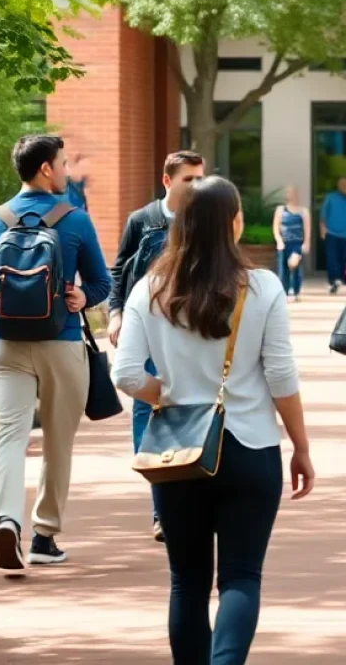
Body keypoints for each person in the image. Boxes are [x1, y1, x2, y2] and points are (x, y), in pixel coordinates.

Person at [112, 176, 314, 664]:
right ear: (234, 223)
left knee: (187, 581)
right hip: (251, 446)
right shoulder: (261, 286)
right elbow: (280, 375)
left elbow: (125, 373)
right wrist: (301, 447)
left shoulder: (150, 288)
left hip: (178, 450)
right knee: (241, 576)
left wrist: (167, 396)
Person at [0, 135, 111, 571]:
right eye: (62, 163)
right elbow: (102, 282)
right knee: (58, 443)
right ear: (46, 168)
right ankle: (44, 537)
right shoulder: (75, 220)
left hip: (5, 345)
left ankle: (7, 520)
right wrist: (82, 297)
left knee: (10, 436)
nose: (66, 171)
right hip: (61, 344)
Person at [108, 150, 205, 542]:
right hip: (146, 327)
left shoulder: (203, 219)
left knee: (190, 405)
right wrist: (116, 313)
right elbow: (119, 269)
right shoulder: (142, 220)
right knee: (146, 409)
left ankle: (190, 490)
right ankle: (161, 507)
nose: (196, 186)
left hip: (190, 329)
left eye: (200, 178)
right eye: (188, 179)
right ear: (168, 181)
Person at [320, 177, 346, 294]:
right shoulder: (330, 197)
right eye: (342, 184)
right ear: (338, 186)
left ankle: (345, 281)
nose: (344, 187)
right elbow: (323, 214)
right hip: (331, 233)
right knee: (332, 259)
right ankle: (333, 281)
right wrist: (322, 229)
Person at [273, 187, 311, 302]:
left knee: (295, 266)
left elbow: (307, 228)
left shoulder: (303, 211)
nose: (290, 195)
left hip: (297, 243)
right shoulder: (280, 210)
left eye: (293, 193)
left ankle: (295, 291)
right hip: (284, 243)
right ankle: (284, 292)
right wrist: (279, 240)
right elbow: (275, 227)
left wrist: (306, 243)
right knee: (283, 269)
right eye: (288, 192)